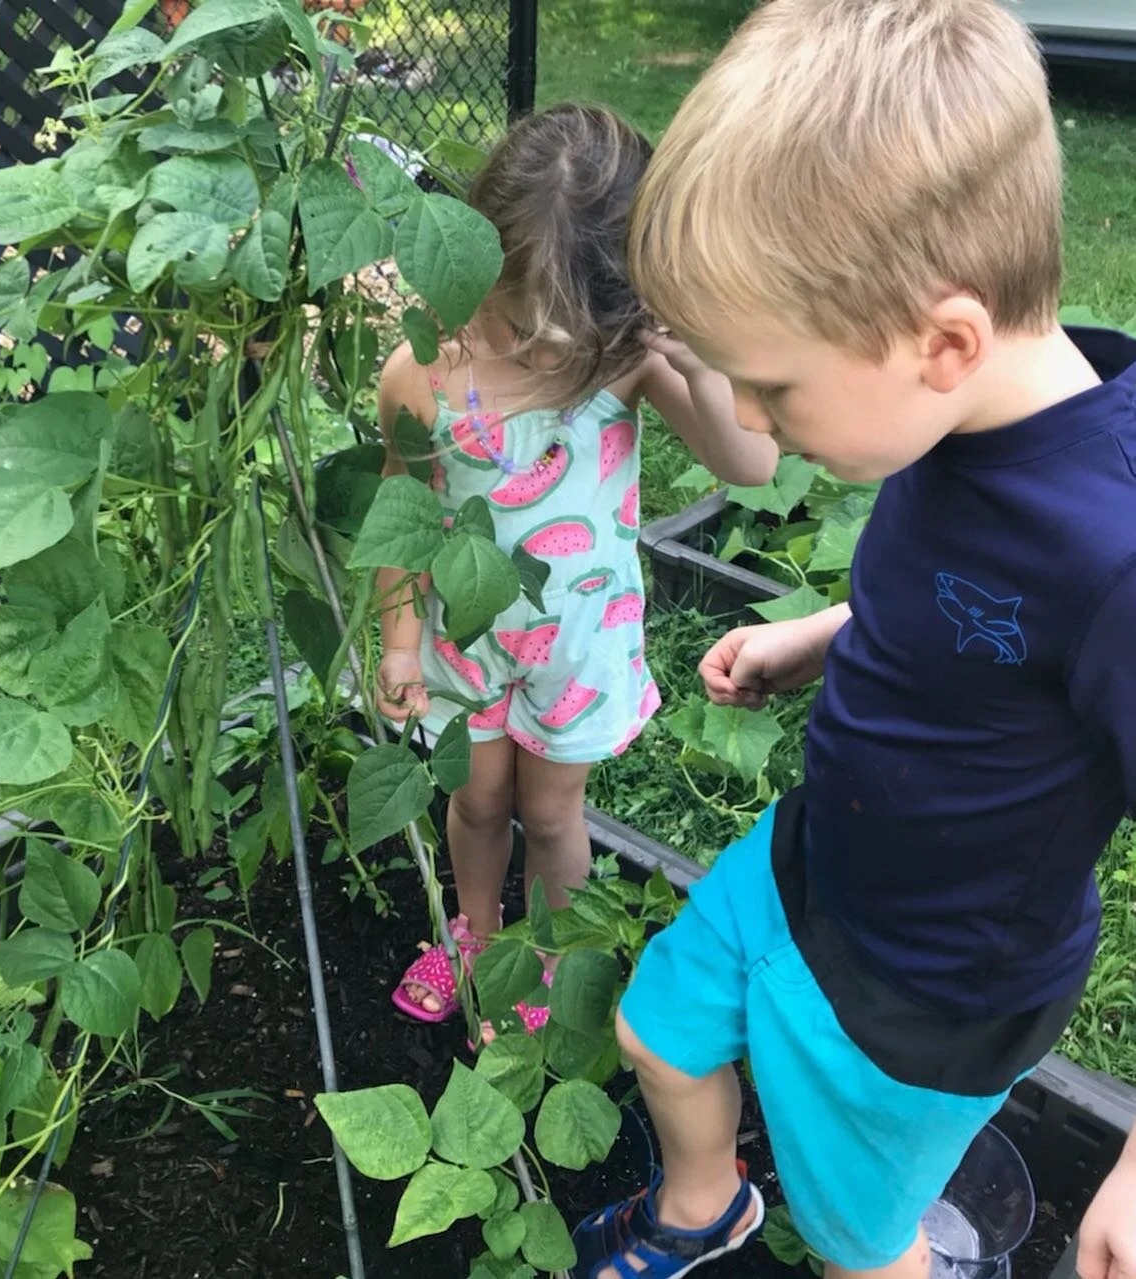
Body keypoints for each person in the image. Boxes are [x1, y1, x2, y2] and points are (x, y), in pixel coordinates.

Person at [570, 2, 1136, 1278]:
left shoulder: (1114, 554)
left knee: (854, 1239)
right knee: (662, 1032)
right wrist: (822, 633)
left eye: (771, 385)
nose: (754, 418)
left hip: (926, 994)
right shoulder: (950, 418)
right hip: (816, 864)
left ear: (941, 342)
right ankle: (701, 1208)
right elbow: (962, 605)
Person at [374, 104, 779, 1030]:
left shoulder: (628, 359)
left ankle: (552, 954)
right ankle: (472, 932)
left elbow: (749, 467)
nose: (549, 348)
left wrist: (705, 370)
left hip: (579, 642)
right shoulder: (422, 370)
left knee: (554, 818)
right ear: (475, 258)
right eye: (523, 320)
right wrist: (399, 643)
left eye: (575, 330)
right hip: (462, 640)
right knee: (474, 802)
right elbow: (401, 518)